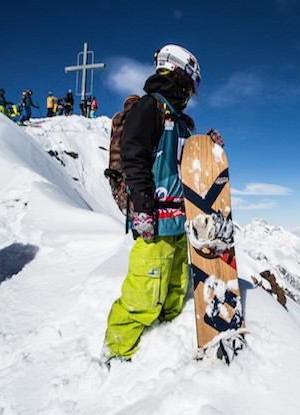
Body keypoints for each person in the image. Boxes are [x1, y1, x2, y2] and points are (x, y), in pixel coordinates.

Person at [103, 44, 201, 363]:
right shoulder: (150, 108)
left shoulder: (182, 122)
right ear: (175, 73)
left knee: (175, 287)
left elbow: (186, 166)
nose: (190, 92)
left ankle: (164, 335)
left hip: (177, 223)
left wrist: (207, 147)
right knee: (144, 291)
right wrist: (143, 208)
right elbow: (133, 156)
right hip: (154, 223)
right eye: (189, 84)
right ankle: (117, 350)